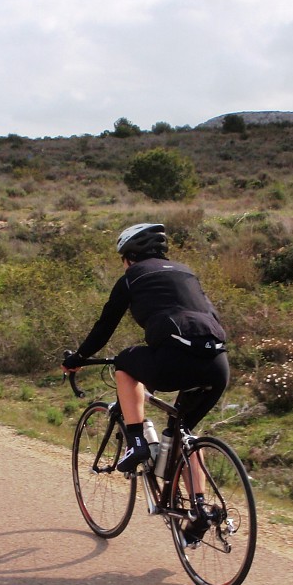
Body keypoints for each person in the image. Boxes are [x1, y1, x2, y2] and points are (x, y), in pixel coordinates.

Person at [62, 223, 230, 540]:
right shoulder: (187, 273)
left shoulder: (131, 278)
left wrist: (78, 358)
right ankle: (198, 511)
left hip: (172, 360)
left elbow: (104, 326)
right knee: (185, 433)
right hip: (217, 364)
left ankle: (137, 442)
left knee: (125, 365)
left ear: (129, 257)